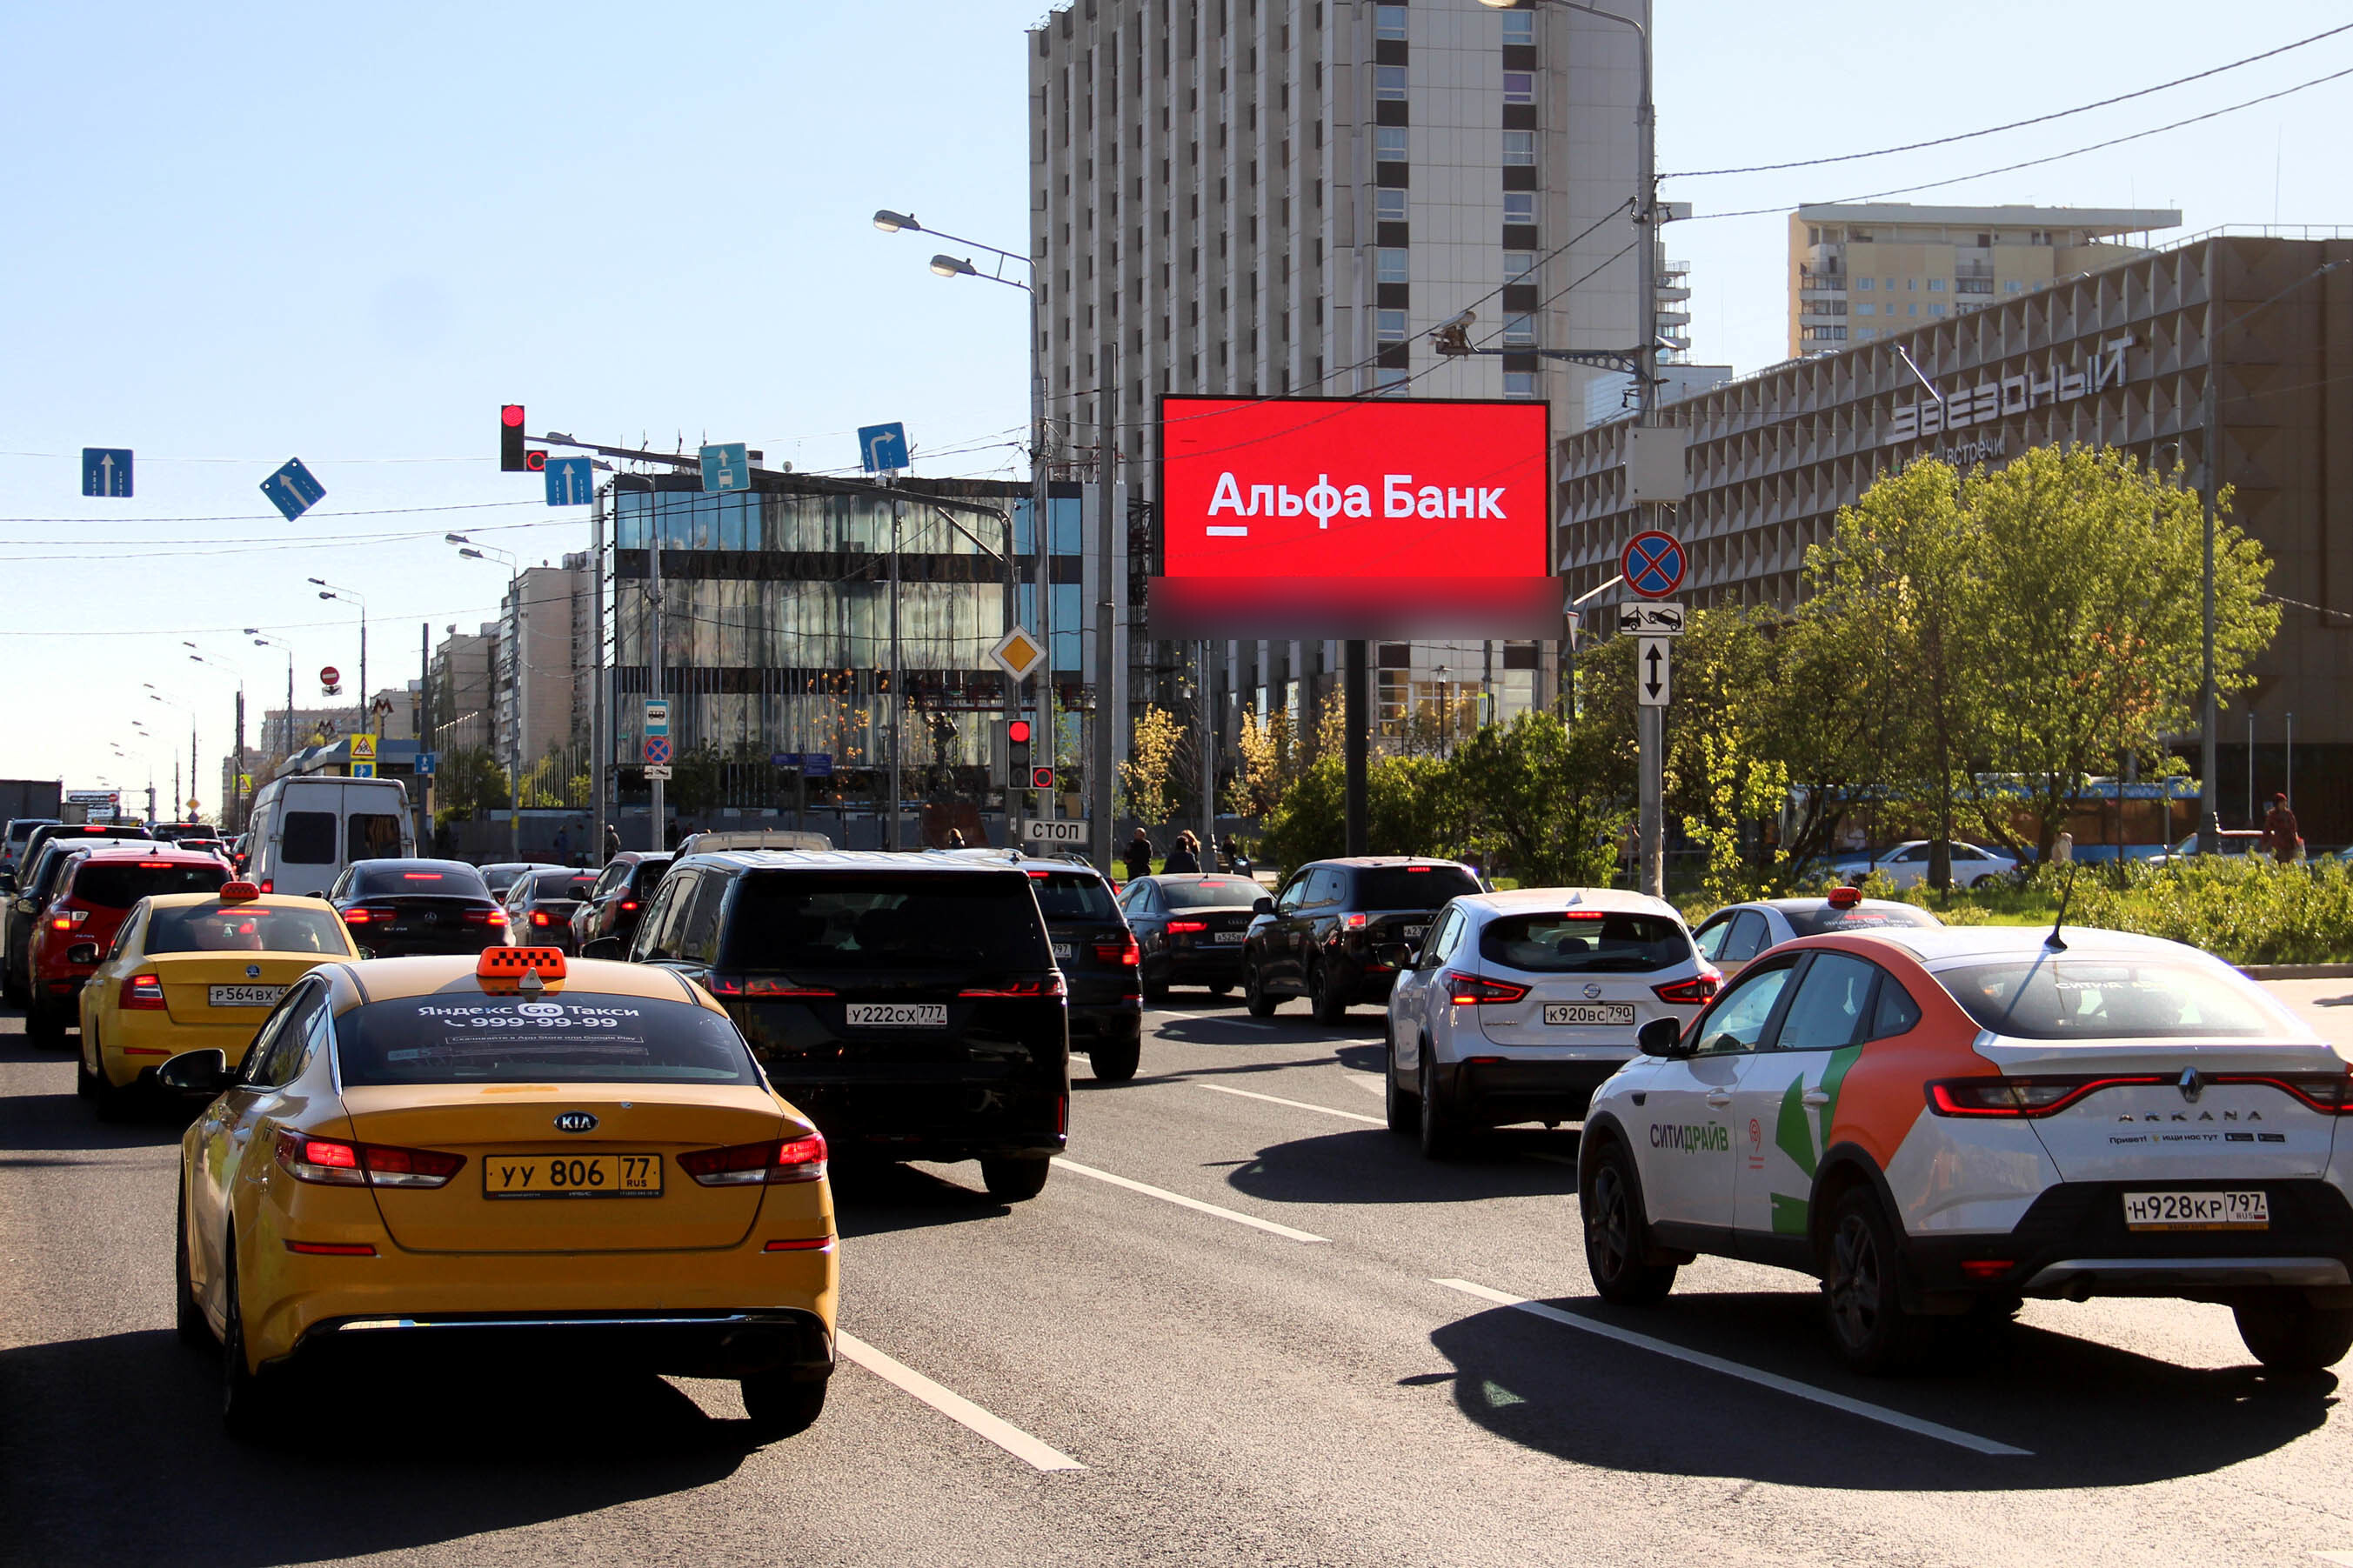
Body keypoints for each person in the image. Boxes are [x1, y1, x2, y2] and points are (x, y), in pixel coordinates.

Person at [2262, 792, 2303, 864]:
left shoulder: (2289, 814)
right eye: (2282, 802)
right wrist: (2265, 844)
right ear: (2277, 804)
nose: (2284, 804)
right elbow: (2267, 830)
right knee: (2283, 864)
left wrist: (2295, 840)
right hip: (2279, 845)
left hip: (2290, 844)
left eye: (2285, 802)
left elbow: (2294, 827)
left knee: (2291, 864)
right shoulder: (2272, 815)